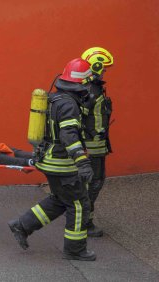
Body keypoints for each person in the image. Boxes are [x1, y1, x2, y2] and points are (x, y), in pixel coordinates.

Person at [8, 58, 96, 261]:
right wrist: (82, 161)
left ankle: (22, 226)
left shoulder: (56, 99)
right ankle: (75, 250)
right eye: (87, 82)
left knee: (59, 200)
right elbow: (68, 135)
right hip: (62, 164)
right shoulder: (69, 105)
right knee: (79, 204)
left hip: (50, 160)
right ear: (81, 83)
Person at [81, 47, 114, 237]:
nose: (105, 71)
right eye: (104, 68)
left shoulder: (94, 87)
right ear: (97, 65)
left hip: (97, 144)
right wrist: (92, 134)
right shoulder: (91, 90)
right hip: (92, 146)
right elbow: (81, 116)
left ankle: (85, 219)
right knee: (93, 183)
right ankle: (85, 222)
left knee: (96, 182)